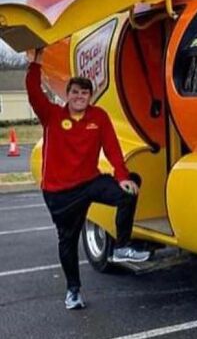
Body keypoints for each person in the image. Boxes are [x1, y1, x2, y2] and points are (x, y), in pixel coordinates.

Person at [26, 48, 150, 310]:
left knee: (129, 191)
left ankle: (121, 247)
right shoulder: (52, 116)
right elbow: (34, 94)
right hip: (59, 192)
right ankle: (73, 290)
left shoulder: (99, 117)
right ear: (67, 95)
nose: (79, 97)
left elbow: (112, 148)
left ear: (89, 96)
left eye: (84, 93)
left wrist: (122, 176)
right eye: (75, 93)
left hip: (89, 182)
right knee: (67, 240)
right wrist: (35, 63)